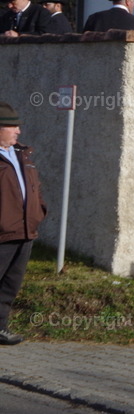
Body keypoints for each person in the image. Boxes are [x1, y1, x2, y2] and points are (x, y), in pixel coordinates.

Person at [0, 102, 46, 346]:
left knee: (10, 284)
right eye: (12, 126)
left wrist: (38, 211)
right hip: (2, 233)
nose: (18, 131)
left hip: (25, 230)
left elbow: (33, 188)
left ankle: (0, 327)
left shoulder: (21, 153)